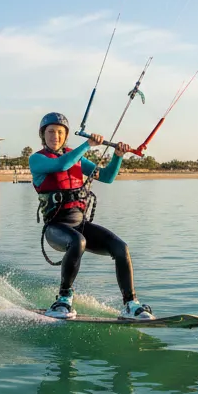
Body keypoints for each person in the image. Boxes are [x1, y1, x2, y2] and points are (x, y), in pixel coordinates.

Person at [30, 112, 154, 321]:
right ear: (43, 135)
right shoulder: (37, 159)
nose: (56, 136)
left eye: (60, 132)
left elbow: (106, 177)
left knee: (120, 247)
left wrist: (118, 156)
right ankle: (63, 299)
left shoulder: (77, 159)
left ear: (66, 135)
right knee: (78, 241)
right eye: (51, 132)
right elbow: (61, 165)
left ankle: (130, 304)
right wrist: (87, 145)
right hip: (56, 229)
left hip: (80, 225)